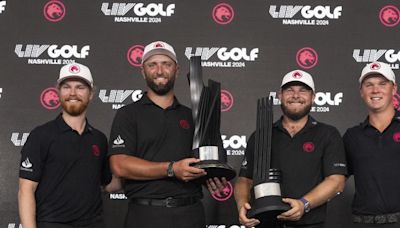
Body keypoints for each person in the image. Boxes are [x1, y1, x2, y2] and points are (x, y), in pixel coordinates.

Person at [108, 41, 225, 228]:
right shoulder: (128, 114)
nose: (160, 70)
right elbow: (119, 165)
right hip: (145, 215)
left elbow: (210, 163)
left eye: (166, 64)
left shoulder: (194, 116)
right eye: (152, 65)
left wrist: (211, 177)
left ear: (177, 70)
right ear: (143, 71)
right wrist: (172, 169)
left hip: (190, 214)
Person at [235, 70, 347, 228]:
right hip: (266, 223)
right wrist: (242, 205)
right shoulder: (261, 135)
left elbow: (336, 181)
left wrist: (303, 204)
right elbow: (244, 180)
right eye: (289, 90)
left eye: (303, 90)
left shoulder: (327, 134)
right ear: (280, 96)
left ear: (313, 97)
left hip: (310, 224)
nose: (296, 95)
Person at [18, 62, 113, 228]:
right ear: (58, 92)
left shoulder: (99, 139)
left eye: (80, 87)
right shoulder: (41, 135)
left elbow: (108, 184)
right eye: (66, 87)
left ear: (91, 93)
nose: (73, 93)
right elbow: (26, 190)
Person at [343, 61, 400, 227]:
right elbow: (335, 179)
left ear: (394, 89)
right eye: (369, 85)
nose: (376, 90)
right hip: (363, 222)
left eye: (382, 84)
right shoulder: (352, 136)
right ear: (361, 91)